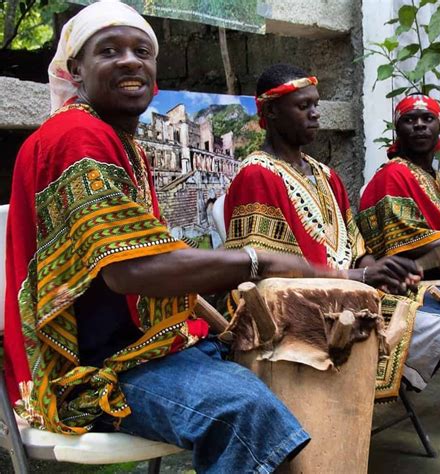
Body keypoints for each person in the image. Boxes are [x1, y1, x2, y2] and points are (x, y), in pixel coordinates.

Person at [2, 3, 357, 472]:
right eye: (109, 51)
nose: (130, 61)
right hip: (95, 372)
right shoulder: (77, 135)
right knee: (243, 410)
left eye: (142, 51)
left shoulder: (118, 140)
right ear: (76, 70)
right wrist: (261, 260)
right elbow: (132, 271)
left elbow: (146, 255)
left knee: (277, 375)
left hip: (141, 350)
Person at [223, 63, 423, 400]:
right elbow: (264, 272)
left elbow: (357, 248)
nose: (316, 114)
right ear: (271, 112)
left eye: (316, 104)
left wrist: (380, 272)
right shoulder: (257, 175)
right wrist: (358, 277)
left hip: (351, 302)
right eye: (304, 106)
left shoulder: (327, 175)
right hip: (301, 316)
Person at [358, 94, 440, 422]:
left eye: (428, 118)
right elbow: (409, 250)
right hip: (409, 282)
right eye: (410, 119)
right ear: (397, 128)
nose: (420, 125)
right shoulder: (392, 175)